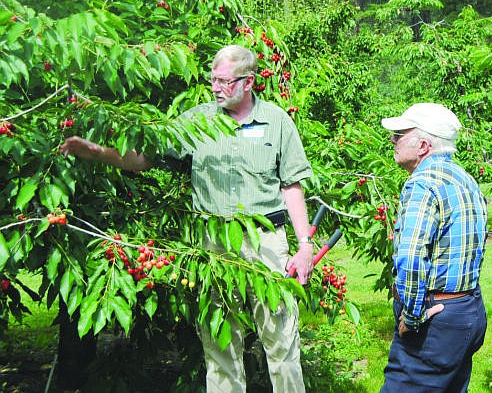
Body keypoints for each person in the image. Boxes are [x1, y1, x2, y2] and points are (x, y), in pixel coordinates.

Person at [60, 45, 314, 393]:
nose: (216, 87)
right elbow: (142, 159)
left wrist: (305, 246)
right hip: (212, 245)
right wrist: (96, 152)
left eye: (225, 81)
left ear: (249, 82)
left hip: (266, 243)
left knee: (281, 341)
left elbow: (292, 186)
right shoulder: (197, 121)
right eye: (213, 80)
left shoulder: (277, 122)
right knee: (220, 344)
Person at [379, 102, 488, 392]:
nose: (392, 140)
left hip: (434, 318)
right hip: (468, 309)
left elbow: (412, 260)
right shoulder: (466, 179)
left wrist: (413, 318)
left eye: (399, 135)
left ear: (424, 145)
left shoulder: (422, 184)